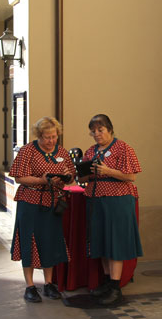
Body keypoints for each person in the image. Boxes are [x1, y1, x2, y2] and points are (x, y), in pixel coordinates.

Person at [9, 116, 75, 303]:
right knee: (29, 241)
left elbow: (70, 174)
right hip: (30, 202)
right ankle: (30, 286)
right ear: (39, 135)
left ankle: (48, 283)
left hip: (52, 202)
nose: (51, 141)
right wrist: (42, 180)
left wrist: (68, 176)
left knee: (50, 241)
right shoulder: (27, 151)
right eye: (47, 137)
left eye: (54, 137)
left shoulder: (62, 151)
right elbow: (19, 177)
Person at [81, 114, 143, 305]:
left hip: (118, 201)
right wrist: (82, 172)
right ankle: (107, 282)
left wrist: (107, 171)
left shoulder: (123, 148)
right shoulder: (90, 151)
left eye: (101, 130)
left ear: (110, 130)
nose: (97, 134)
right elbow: (83, 179)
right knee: (101, 241)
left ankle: (116, 288)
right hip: (95, 201)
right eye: (94, 131)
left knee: (115, 242)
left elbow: (131, 176)